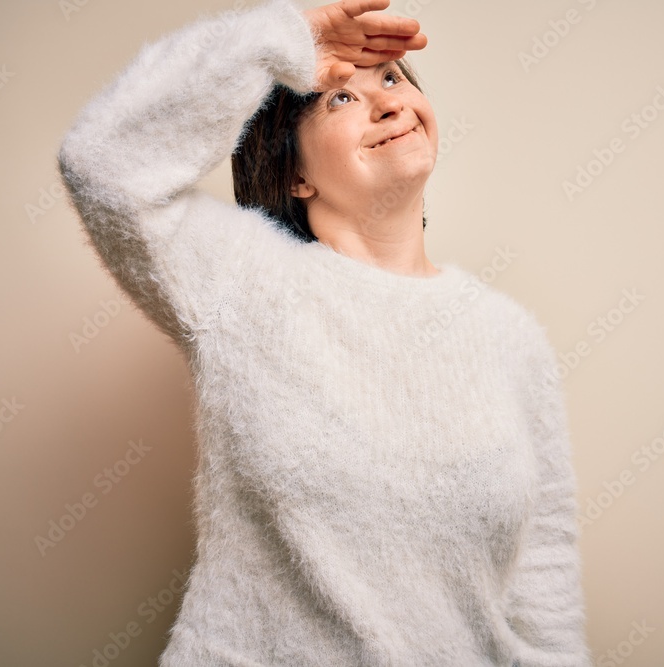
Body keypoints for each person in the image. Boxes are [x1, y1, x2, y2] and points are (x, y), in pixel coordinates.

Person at [56, 0, 593, 664]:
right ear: (295, 173)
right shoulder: (240, 279)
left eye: (393, 79)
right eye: (340, 98)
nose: (388, 103)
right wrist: (284, 41)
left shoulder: (512, 338)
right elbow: (102, 163)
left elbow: (544, 581)